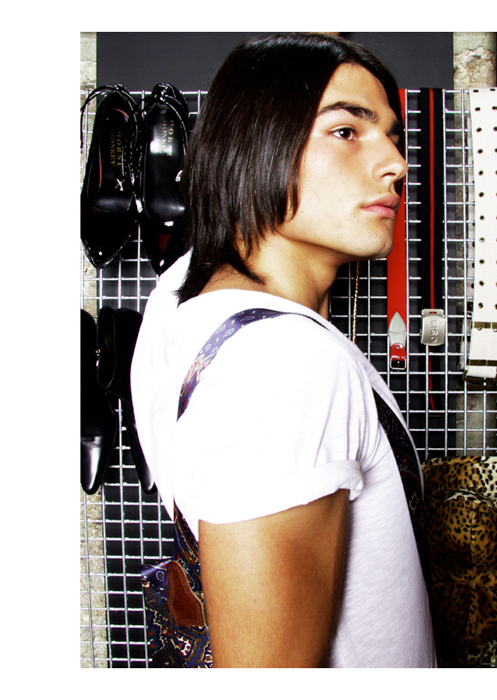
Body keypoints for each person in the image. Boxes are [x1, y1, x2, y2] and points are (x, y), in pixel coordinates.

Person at [131, 32, 436, 668]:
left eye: (392, 135)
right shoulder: (283, 362)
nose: (396, 165)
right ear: (257, 143)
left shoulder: (181, 297)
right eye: (346, 131)